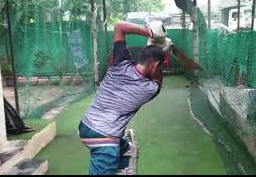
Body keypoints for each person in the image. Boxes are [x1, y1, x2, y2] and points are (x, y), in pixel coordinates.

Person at [78, 20, 200, 175]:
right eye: (160, 66)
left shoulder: (119, 64)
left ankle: (124, 156)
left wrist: (150, 34)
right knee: (109, 156)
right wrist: (163, 50)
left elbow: (119, 26)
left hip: (85, 126)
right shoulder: (150, 89)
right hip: (104, 139)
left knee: (124, 147)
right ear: (156, 66)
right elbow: (157, 81)